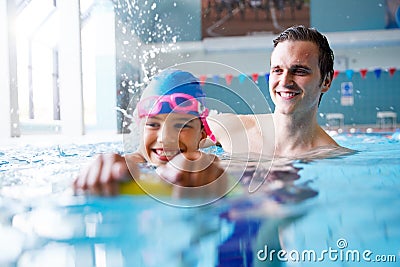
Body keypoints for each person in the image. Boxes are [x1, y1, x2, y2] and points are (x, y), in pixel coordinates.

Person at [73, 69, 226, 197]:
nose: (165, 139)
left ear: (202, 134)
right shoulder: (126, 164)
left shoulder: (209, 163)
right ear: (140, 128)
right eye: (153, 124)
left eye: (181, 125)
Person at [207, 25, 352, 158]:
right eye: (277, 70)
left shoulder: (331, 156)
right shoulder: (228, 129)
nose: (284, 82)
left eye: (300, 71)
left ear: (326, 81)